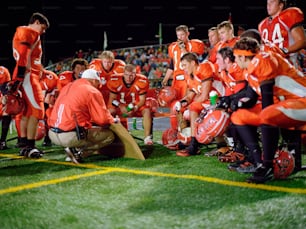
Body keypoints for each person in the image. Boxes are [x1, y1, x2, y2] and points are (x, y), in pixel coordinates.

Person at [233, 37, 305, 183]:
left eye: (236, 57)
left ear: (242, 56)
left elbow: (267, 100)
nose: (235, 61)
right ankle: (258, 162)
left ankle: (267, 165)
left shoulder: (262, 59)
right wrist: (236, 104)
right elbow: (252, 99)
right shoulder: (249, 70)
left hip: (301, 101)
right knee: (238, 116)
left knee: (267, 114)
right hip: (288, 105)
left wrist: (267, 125)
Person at [48, 69, 117, 164]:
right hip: (68, 135)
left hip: (52, 133)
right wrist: (113, 119)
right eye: (98, 83)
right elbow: (103, 120)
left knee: (83, 126)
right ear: (94, 80)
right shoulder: (91, 90)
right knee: (109, 136)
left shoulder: (68, 86)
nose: (98, 86)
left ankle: (73, 149)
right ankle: (78, 153)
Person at [11, 12, 50, 158]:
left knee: (26, 112)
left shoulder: (24, 32)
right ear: (37, 22)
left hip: (26, 75)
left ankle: (24, 145)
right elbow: (23, 53)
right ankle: (30, 146)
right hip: (27, 76)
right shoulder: (29, 32)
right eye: (43, 27)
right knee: (37, 111)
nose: (43, 31)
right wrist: (21, 75)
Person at [174, 52, 219, 157]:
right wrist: (182, 103)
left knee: (193, 107)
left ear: (193, 63)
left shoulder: (203, 68)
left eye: (185, 65)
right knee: (180, 110)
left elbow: (204, 96)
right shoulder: (190, 76)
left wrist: (191, 104)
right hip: (206, 103)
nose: (183, 68)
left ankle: (194, 144)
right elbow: (190, 96)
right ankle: (186, 139)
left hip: (216, 100)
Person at [107, 64, 153, 145]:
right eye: (126, 75)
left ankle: (147, 137)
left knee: (147, 110)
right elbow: (112, 100)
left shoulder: (142, 80)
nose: (128, 78)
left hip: (135, 104)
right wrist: (121, 106)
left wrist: (135, 107)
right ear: (123, 73)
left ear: (135, 74)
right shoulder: (115, 80)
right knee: (110, 111)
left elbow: (142, 100)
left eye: (131, 75)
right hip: (119, 105)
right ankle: (111, 136)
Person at [258, 0, 306, 68]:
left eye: (272, 2)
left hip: (289, 64)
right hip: (270, 64)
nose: (268, 5)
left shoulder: (288, 16)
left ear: (281, 5)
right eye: (268, 2)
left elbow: (302, 41)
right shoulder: (262, 24)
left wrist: (283, 50)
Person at [161, 25, 205, 100]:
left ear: (188, 33)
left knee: (186, 101)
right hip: (176, 80)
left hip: (189, 78)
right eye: (178, 35)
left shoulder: (193, 44)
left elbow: (190, 60)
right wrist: (165, 79)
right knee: (176, 103)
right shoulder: (173, 46)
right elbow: (172, 65)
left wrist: (183, 48)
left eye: (182, 35)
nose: (180, 37)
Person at [0, 66, 12, 150]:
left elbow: (6, 86)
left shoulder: (3, 70)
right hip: (2, 97)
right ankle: (2, 142)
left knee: (6, 115)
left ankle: (2, 141)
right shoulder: (3, 70)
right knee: (6, 115)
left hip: (2, 97)